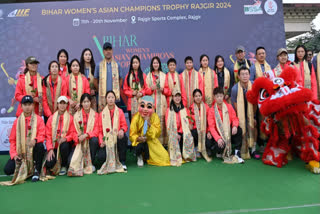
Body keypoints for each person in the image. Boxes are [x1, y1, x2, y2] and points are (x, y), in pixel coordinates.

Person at [1, 96, 45, 185]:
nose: (27, 107)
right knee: (7, 170)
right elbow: (12, 140)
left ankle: (36, 170)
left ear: (33, 106)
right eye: (25, 105)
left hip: (33, 151)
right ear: (21, 106)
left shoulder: (39, 120)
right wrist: (14, 155)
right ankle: (25, 167)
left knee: (40, 146)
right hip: (21, 153)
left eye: (29, 104)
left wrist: (35, 140)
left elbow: (42, 135)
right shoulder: (17, 122)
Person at [130, 96, 170, 167]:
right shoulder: (136, 118)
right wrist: (138, 138)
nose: (145, 109)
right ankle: (139, 156)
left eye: (149, 107)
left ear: (153, 108)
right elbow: (132, 134)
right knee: (139, 146)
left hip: (151, 140)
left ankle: (146, 157)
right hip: (140, 141)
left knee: (165, 157)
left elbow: (157, 133)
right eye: (142, 106)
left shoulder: (155, 117)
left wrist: (149, 124)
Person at [207, 87, 244, 163]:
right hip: (219, 134)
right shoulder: (211, 110)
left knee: (239, 130)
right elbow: (211, 127)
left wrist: (234, 126)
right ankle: (218, 151)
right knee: (220, 146)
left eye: (221, 96)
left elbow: (234, 118)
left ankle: (237, 152)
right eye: (217, 96)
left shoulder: (229, 107)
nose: (219, 98)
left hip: (228, 132)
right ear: (214, 97)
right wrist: (218, 138)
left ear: (223, 96)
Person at [231, 67, 260, 160]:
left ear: (249, 75)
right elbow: (234, 106)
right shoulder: (235, 89)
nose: (245, 76)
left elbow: (255, 103)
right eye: (242, 74)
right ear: (238, 76)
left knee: (254, 126)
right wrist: (238, 119)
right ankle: (239, 150)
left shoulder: (254, 85)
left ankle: (253, 149)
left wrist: (254, 117)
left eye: (246, 74)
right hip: (240, 112)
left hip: (252, 110)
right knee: (240, 128)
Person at [67, 93, 99, 176]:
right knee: (70, 162)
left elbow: (97, 130)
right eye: (84, 102)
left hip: (89, 140)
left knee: (95, 140)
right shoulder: (76, 116)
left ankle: (90, 162)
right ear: (81, 103)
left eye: (88, 101)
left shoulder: (95, 115)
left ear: (90, 103)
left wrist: (86, 135)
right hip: (79, 143)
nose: (86, 104)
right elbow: (72, 131)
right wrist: (77, 138)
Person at [45, 96, 77, 176]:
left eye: (64, 103)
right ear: (57, 104)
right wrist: (50, 149)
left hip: (66, 146)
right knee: (49, 164)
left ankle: (64, 165)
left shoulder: (70, 118)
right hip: (54, 146)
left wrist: (65, 138)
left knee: (64, 145)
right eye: (60, 103)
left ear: (67, 105)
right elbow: (48, 136)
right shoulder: (51, 118)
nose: (62, 105)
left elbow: (73, 133)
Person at [97, 91, 128, 173]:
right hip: (106, 141)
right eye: (109, 97)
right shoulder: (102, 114)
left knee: (123, 137)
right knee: (101, 157)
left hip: (117, 138)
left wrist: (122, 130)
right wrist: (101, 141)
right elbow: (100, 131)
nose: (111, 99)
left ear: (115, 99)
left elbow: (124, 125)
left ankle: (122, 161)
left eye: (112, 97)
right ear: (106, 100)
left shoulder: (120, 111)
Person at [166, 89, 196, 166]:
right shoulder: (169, 110)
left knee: (188, 136)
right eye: (175, 96)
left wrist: (180, 132)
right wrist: (176, 133)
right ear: (172, 97)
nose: (177, 98)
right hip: (174, 133)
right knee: (174, 140)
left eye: (179, 96)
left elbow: (189, 121)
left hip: (183, 132)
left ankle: (187, 155)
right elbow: (168, 125)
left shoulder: (185, 109)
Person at [145, 56, 170, 145]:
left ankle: (163, 144)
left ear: (159, 64)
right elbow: (145, 91)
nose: (156, 64)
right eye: (154, 63)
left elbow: (169, 91)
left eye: (157, 63)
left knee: (162, 124)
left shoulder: (164, 75)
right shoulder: (148, 76)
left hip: (162, 103)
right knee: (152, 124)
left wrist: (163, 90)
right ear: (152, 64)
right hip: (151, 104)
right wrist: (151, 89)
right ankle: (153, 144)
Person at [93, 42, 122, 112]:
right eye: (106, 50)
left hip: (114, 97)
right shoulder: (98, 65)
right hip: (103, 97)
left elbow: (120, 79)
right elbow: (95, 80)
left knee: (114, 118)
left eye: (109, 49)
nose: (108, 52)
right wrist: (100, 90)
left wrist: (117, 89)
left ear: (112, 51)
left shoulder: (117, 65)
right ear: (103, 52)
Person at [123, 55, 151, 122]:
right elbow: (125, 90)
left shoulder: (143, 75)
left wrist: (141, 93)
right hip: (131, 103)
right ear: (131, 64)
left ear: (139, 64)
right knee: (133, 124)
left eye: (136, 62)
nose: (135, 64)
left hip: (142, 103)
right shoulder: (128, 75)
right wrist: (132, 93)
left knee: (142, 123)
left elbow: (147, 89)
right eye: (133, 63)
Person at [189, 89, 211, 162]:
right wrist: (190, 124)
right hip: (196, 131)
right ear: (193, 98)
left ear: (202, 97)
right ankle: (197, 148)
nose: (198, 98)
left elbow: (210, 121)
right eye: (196, 96)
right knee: (193, 133)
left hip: (205, 130)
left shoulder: (206, 107)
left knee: (209, 142)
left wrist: (209, 131)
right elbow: (190, 119)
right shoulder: (191, 108)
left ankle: (205, 148)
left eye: (199, 96)